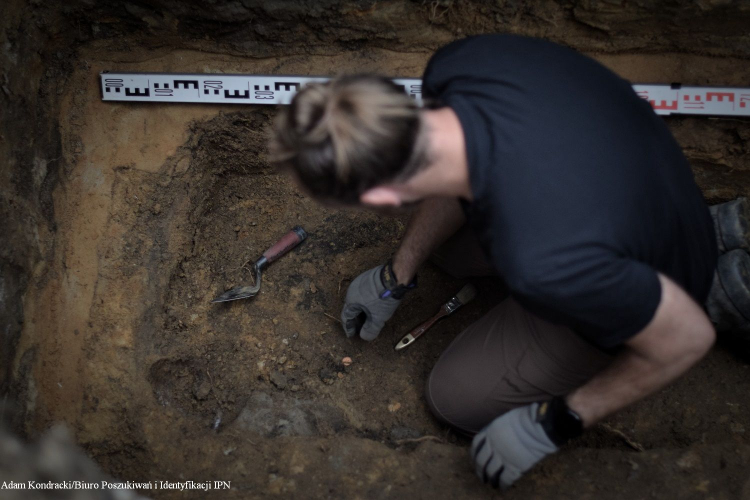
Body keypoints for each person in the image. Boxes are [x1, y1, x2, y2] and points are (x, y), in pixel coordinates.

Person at [269, 34, 748, 489]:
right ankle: (722, 226)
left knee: (453, 397)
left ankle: (721, 288)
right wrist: (397, 274)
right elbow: (457, 167)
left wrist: (557, 423)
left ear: (376, 195)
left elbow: (687, 339)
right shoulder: (463, 64)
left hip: (663, 280)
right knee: (452, 252)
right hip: (640, 185)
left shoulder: (542, 260)